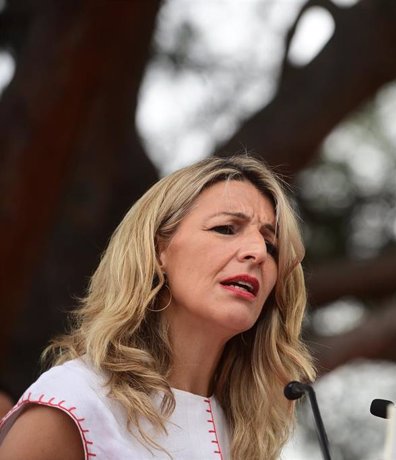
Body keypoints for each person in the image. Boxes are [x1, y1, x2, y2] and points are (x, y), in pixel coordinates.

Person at [0, 155, 315, 459]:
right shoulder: (78, 401)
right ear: (158, 249)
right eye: (226, 229)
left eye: (271, 246)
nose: (257, 252)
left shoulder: (251, 435)